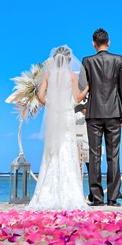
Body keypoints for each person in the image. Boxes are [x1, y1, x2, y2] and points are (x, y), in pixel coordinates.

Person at [27, 45, 89, 210]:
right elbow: (77, 99)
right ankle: (70, 193)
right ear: (69, 60)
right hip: (67, 115)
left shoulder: (48, 75)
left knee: (52, 151)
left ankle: (46, 191)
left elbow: (40, 96)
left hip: (54, 115)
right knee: (67, 149)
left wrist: (50, 105)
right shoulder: (71, 76)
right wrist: (88, 87)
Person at [79, 28, 122, 206]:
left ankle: (97, 198)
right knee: (113, 156)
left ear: (93, 43)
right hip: (114, 112)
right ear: (108, 42)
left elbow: (82, 87)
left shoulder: (87, 61)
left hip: (93, 112)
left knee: (94, 155)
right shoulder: (118, 60)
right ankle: (113, 198)